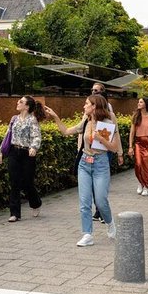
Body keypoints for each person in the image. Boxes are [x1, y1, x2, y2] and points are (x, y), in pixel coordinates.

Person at [45, 95, 119, 247]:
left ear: (94, 106)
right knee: (84, 202)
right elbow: (66, 131)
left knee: (100, 200)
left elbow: (114, 148)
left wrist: (102, 139)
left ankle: (110, 223)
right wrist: (55, 117)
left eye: (86, 104)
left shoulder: (107, 123)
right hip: (84, 164)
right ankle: (87, 234)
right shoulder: (86, 121)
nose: (83, 106)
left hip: (100, 164)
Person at [0, 96, 46, 223]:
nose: (18, 103)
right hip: (14, 152)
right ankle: (14, 213)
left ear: (27, 106)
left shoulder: (32, 120)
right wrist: (1, 151)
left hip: (27, 154)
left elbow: (37, 136)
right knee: (14, 183)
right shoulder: (14, 119)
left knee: (27, 182)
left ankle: (36, 203)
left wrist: (34, 148)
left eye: (21, 102)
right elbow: (7, 135)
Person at [88, 83, 123, 222]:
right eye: (92, 90)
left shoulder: (109, 111)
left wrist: (119, 152)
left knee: (100, 182)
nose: (93, 92)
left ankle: (101, 210)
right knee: (91, 181)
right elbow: (83, 131)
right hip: (89, 152)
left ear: (102, 92)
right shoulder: (88, 108)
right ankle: (98, 209)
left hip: (104, 150)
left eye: (96, 90)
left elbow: (115, 133)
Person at [128, 98, 148, 196]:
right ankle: (140, 183)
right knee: (138, 164)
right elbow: (132, 132)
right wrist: (130, 146)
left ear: (146, 104)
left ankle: (146, 186)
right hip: (138, 142)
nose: (138, 103)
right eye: (139, 102)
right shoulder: (136, 116)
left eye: (141, 102)